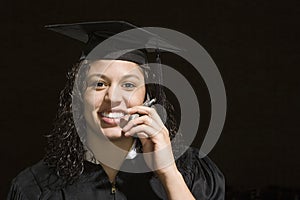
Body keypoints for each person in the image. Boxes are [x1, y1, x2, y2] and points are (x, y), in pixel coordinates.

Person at [7, 21, 225, 200]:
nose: (112, 99)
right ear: (78, 96)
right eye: (99, 84)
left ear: (147, 97)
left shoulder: (191, 171)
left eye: (129, 85)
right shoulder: (36, 186)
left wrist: (168, 173)